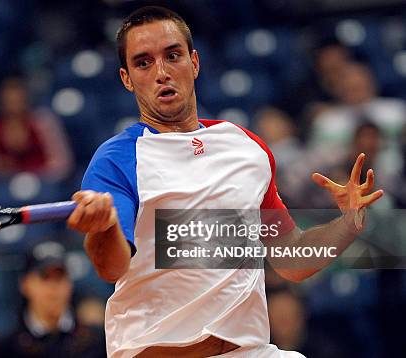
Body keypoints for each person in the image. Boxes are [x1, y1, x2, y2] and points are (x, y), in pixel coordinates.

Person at [65, 6, 383, 358]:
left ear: (194, 62)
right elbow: (111, 267)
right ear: (126, 79)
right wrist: (103, 229)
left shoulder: (246, 146)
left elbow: (291, 259)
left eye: (173, 56)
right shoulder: (117, 160)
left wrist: (349, 223)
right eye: (143, 63)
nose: (161, 72)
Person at [0, 241, 105, 357]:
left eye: (60, 277)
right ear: (25, 285)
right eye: (45, 277)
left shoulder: (94, 341)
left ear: (70, 284)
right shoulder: (6, 349)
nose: (53, 287)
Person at [0, 77, 73, 181]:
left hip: (44, 180)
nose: (13, 107)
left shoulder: (42, 122)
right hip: (10, 183)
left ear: (26, 100)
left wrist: (36, 178)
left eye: (17, 101)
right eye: (9, 102)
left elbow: (61, 161)